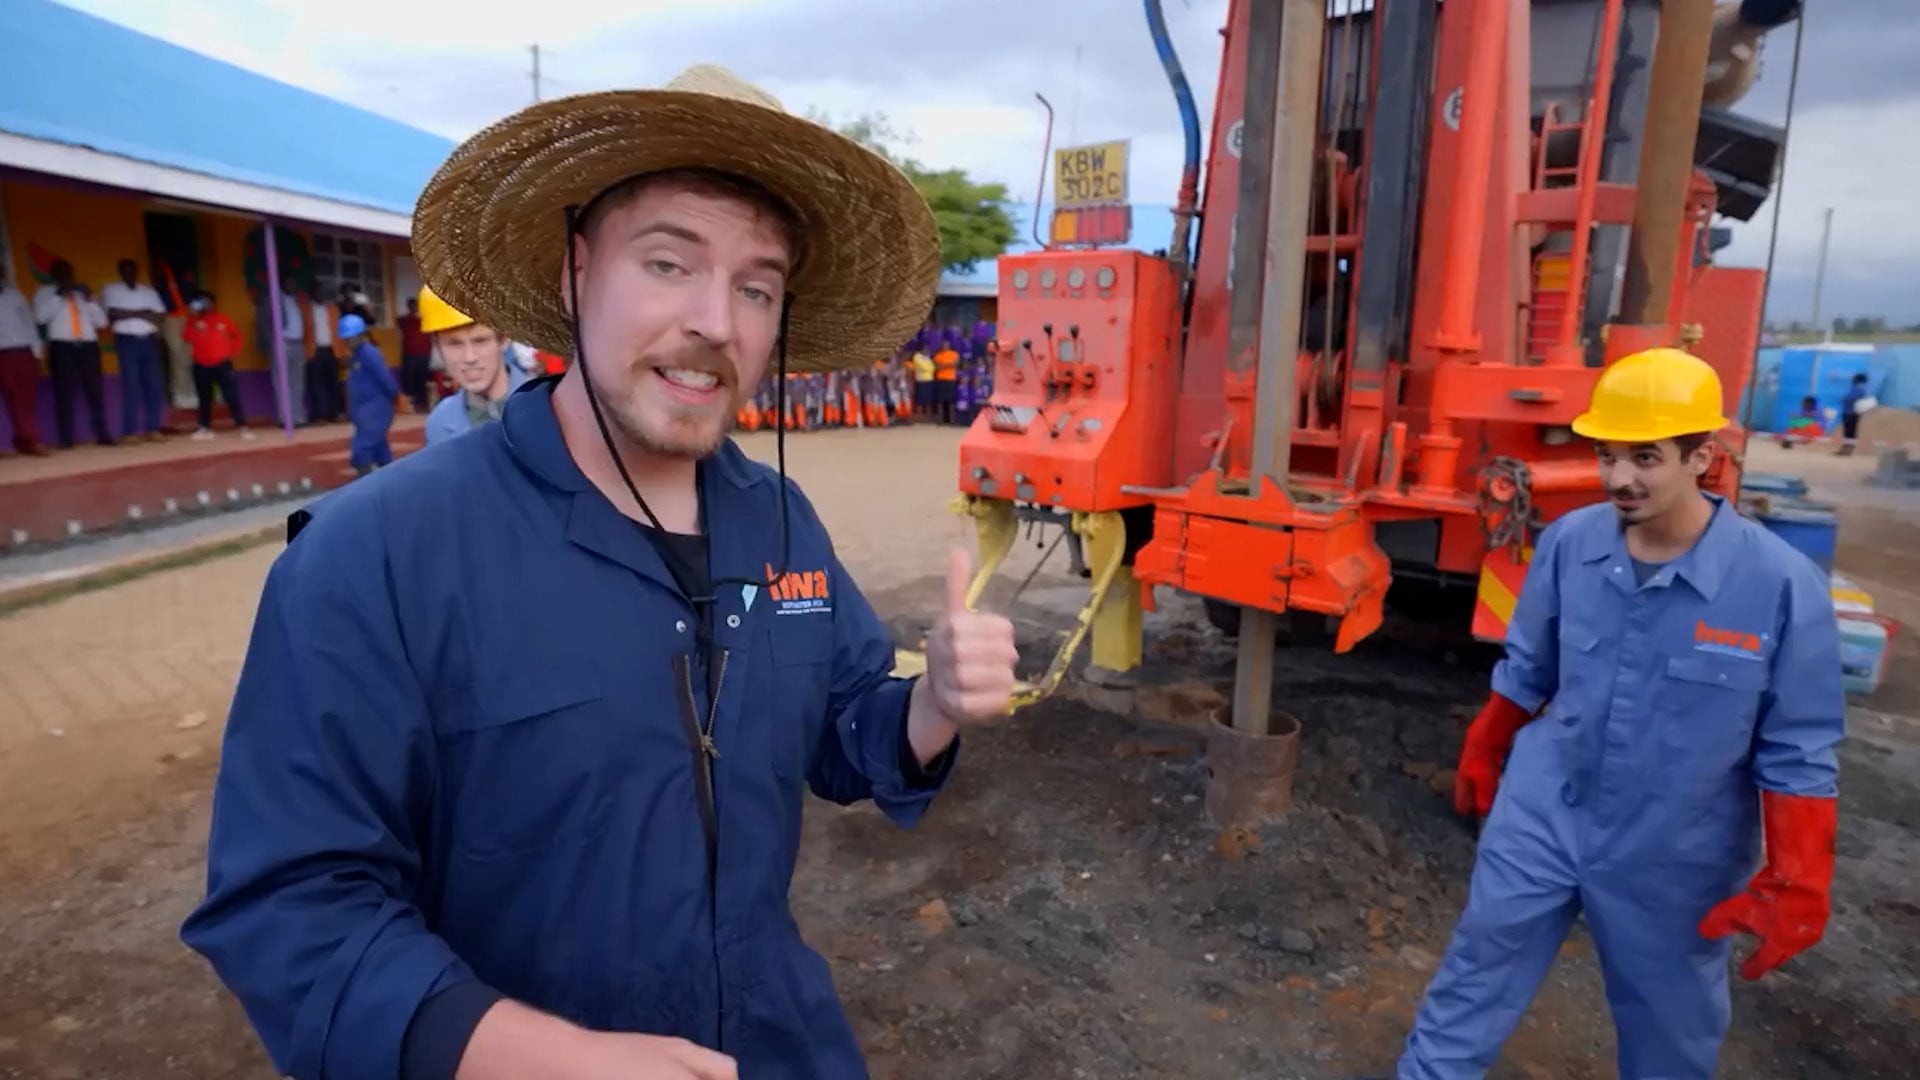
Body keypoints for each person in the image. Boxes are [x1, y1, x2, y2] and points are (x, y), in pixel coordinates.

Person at [182, 62, 1019, 1080]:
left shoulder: (780, 523)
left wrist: (927, 704)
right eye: (669, 264)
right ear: (579, 271)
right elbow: (290, 902)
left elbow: (846, 729)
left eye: (758, 286)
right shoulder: (379, 556)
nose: (718, 319)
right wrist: (544, 1057)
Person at [1393, 348, 1844, 1080]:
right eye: (1606, 456)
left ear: (1702, 455)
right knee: (1477, 971)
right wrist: (1486, 743)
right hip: (1545, 813)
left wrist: (1800, 875)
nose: (1618, 479)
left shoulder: (1780, 587)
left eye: (1645, 457)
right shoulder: (1573, 543)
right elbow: (1530, 667)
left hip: (1675, 850)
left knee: (1670, 1024)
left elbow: (1798, 749)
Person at [420, 286, 528, 446]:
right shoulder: (439, 422)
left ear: (504, 339)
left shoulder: (550, 408)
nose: (469, 357)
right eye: (454, 344)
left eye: (480, 341)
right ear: (438, 347)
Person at [32, 259, 113, 447]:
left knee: (95, 391)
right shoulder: (44, 293)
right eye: (61, 272)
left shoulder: (82, 293)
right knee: (64, 392)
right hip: (62, 347)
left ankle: (102, 434)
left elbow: (102, 323)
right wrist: (59, 296)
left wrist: (89, 300)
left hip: (88, 346)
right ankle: (66, 439)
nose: (66, 276)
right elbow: (39, 317)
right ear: (54, 275)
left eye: (69, 272)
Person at [102, 258, 170, 441]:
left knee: (154, 385)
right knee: (131, 385)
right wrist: (143, 313)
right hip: (126, 341)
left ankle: (153, 429)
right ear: (119, 271)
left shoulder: (148, 291)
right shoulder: (111, 289)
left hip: (149, 340)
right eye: (125, 269)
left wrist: (129, 313)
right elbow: (113, 314)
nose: (129, 272)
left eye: (132, 269)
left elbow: (160, 315)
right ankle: (129, 432)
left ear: (137, 270)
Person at [180, 291, 253, 440]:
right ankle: (204, 427)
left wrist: (231, 351)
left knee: (232, 396)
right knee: (204, 398)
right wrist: (192, 318)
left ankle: (242, 426)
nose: (205, 305)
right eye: (201, 302)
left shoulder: (223, 320)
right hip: (201, 365)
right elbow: (186, 337)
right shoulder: (193, 321)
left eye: (207, 302)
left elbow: (237, 336)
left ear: (213, 304)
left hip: (222, 364)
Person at [339, 312, 398, 476]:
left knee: (362, 449)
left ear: (360, 336)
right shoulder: (357, 356)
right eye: (345, 339)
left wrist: (394, 397)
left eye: (349, 338)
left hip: (375, 411)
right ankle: (391, 482)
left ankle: (364, 484)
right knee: (380, 450)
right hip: (364, 414)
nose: (347, 342)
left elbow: (386, 379)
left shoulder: (369, 353)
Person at [0, 263, 47, 456]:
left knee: (26, 399)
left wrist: (37, 353)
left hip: (23, 351)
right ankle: (21, 440)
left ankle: (30, 441)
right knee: (12, 397)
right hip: (2, 354)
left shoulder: (15, 296)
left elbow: (29, 324)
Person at [398, 295, 434, 414]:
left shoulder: (426, 320)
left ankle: (422, 404)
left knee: (422, 380)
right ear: (408, 307)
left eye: (415, 305)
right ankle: (411, 405)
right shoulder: (404, 321)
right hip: (409, 354)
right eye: (411, 306)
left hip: (424, 354)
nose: (413, 308)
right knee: (409, 381)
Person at [1835, 372, 1870, 456]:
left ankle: (1848, 449)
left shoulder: (1859, 388)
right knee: (1848, 430)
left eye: (1854, 379)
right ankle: (1845, 448)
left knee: (1850, 431)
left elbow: (1852, 398)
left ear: (1857, 380)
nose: (1852, 380)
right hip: (1848, 411)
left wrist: (1844, 399)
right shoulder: (1855, 388)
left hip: (1852, 412)